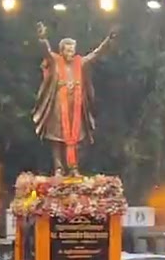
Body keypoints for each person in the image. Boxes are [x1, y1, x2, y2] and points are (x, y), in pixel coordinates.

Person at [31, 21, 116, 176]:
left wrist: (108, 41)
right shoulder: (55, 61)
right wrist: (42, 37)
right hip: (58, 105)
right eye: (68, 50)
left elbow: (96, 54)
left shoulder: (80, 63)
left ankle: (73, 167)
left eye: (72, 50)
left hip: (76, 106)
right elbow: (45, 51)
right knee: (57, 138)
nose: (70, 53)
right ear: (62, 51)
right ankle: (58, 168)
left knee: (76, 138)